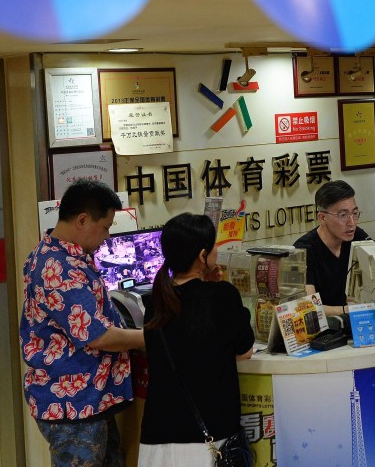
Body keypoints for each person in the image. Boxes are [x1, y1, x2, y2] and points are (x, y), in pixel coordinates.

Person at [20, 178, 145, 467]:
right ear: (82, 220)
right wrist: (151, 336)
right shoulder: (59, 267)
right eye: (106, 227)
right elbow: (98, 336)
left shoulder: (59, 253)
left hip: (89, 400)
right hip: (74, 405)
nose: (107, 237)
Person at [139, 213, 255, 466]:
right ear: (203, 256)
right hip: (210, 439)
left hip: (158, 438)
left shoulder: (155, 301)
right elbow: (245, 350)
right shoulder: (222, 295)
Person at [294, 180, 371, 316]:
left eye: (355, 213)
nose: (351, 223)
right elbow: (309, 307)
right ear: (322, 217)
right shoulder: (304, 250)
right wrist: (349, 310)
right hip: (325, 326)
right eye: (343, 215)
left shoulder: (358, 237)